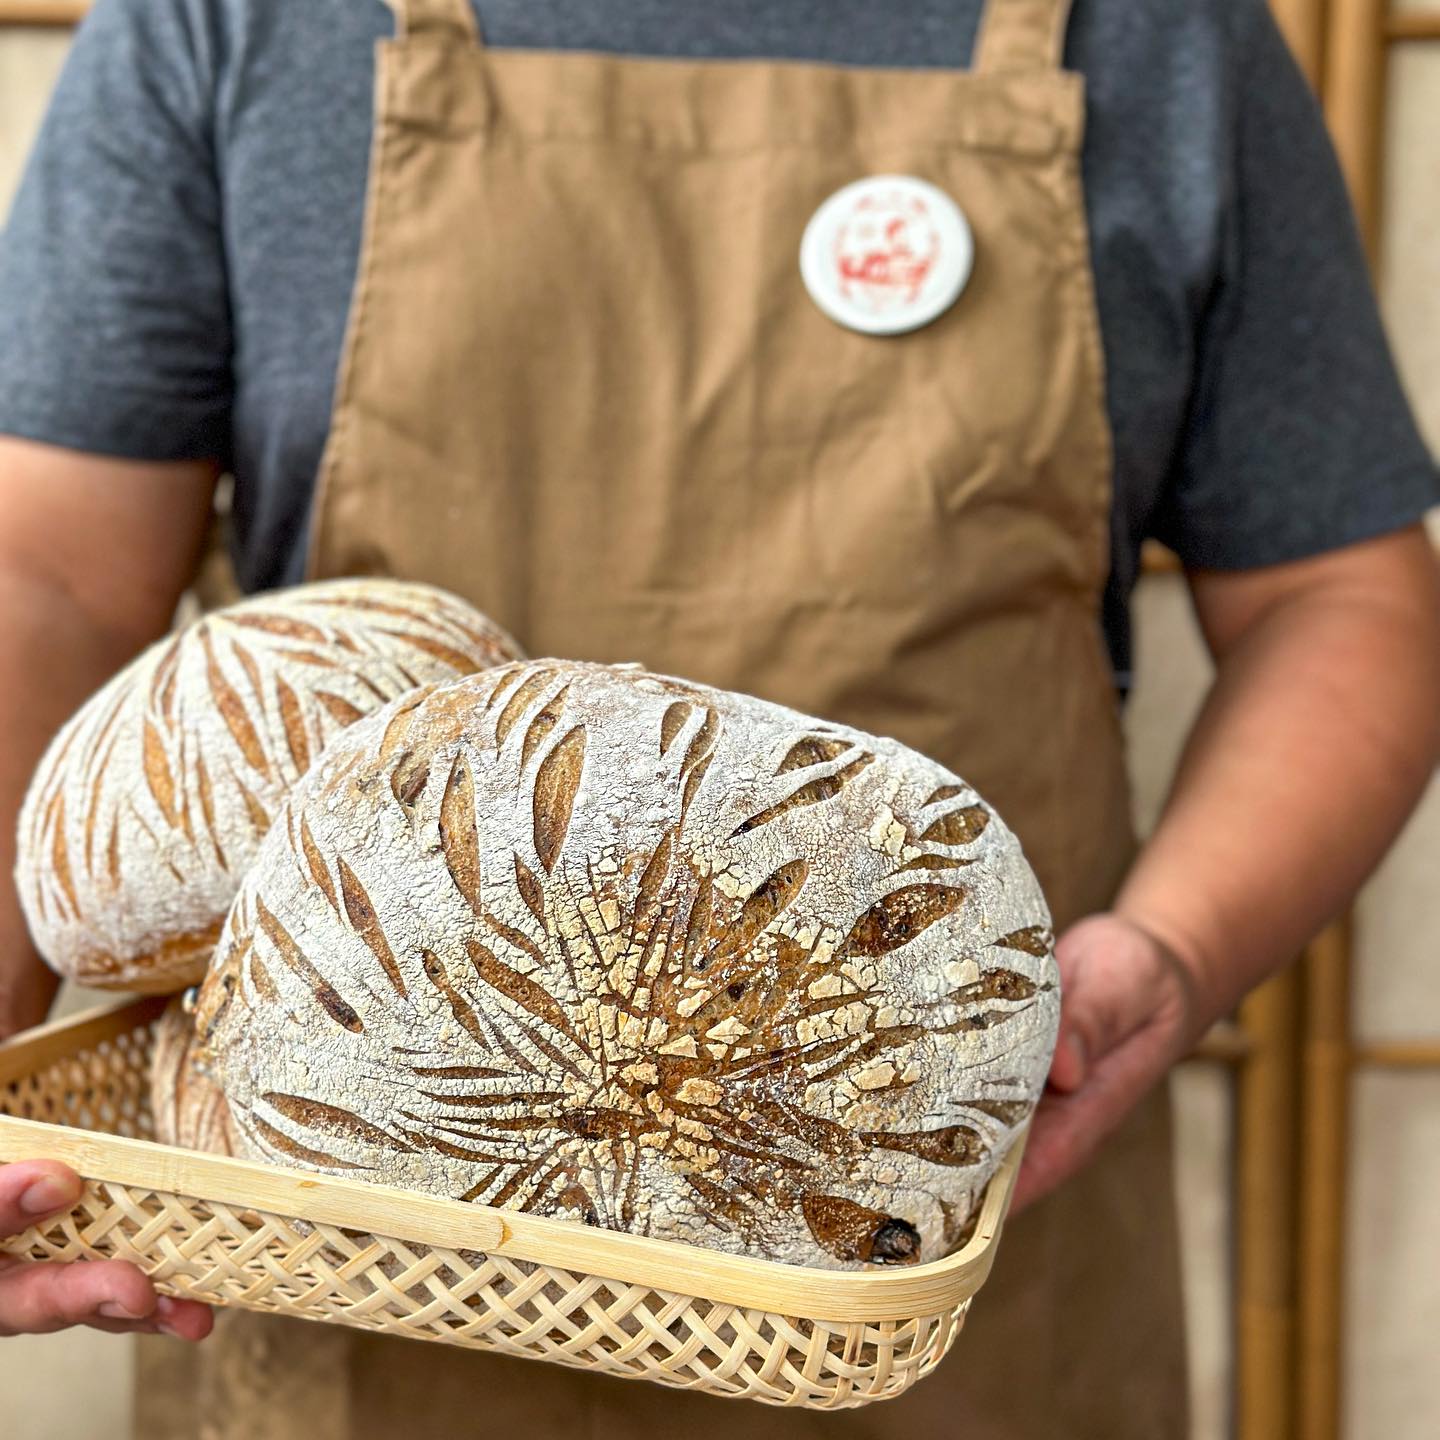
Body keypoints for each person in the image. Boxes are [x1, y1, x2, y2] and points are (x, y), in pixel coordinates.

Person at [0, 0, 1436, 1434]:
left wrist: (1175, 953)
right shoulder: (233, 21)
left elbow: (1337, 601)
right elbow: (45, 580)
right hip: (346, 1241)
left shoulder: (1159, 32)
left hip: (938, 1191)